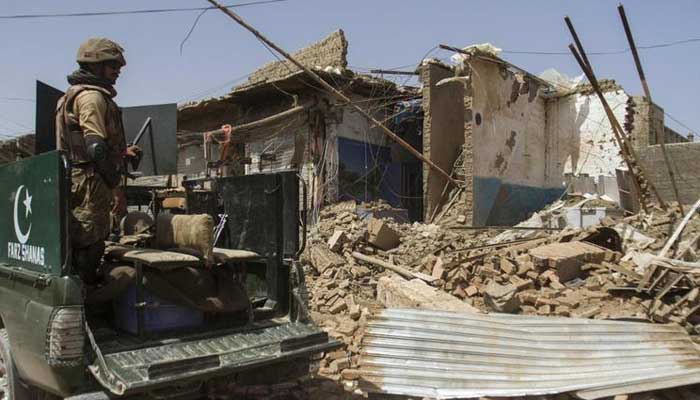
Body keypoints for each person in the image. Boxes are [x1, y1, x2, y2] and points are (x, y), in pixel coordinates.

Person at [55, 38, 140, 285]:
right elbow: (95, 148)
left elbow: (83, 142)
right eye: (112, 66)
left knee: (85, 241)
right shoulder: (91, 97)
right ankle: (86, 307)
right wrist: (115, 186)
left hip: (82, 180)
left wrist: (123, 153)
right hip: (91, 184)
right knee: (89, 244)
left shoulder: (74, 95)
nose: (117, 72)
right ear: (94, 65)